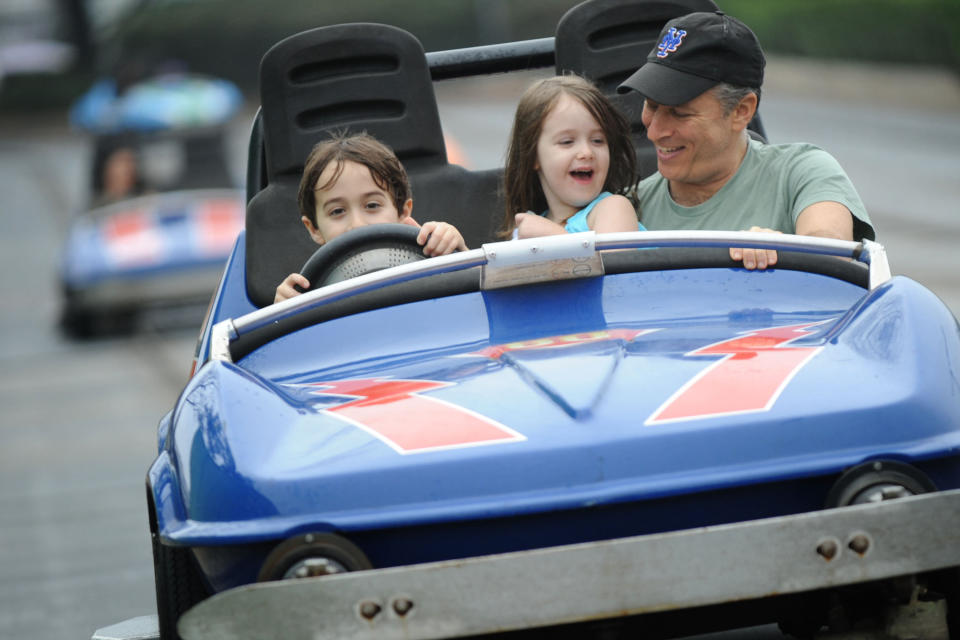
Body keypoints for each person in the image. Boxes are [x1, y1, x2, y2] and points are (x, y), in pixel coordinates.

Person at [617, 11, 874, 269]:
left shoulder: (800, 173)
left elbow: (831, 249)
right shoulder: (624, 210)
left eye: (679, 113)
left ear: (742, 111)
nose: (654, 132)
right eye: (651, 106)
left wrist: (785, 250)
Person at [274, 132, 466, 302]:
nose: (357, 224)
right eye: (337, 211)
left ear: (403, 211)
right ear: (313, 228)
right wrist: (283, 311)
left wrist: (458, 253)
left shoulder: (433, 264)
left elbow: (474, 304)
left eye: (372, 205)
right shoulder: (306, 295)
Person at [500, 75, 646, 239]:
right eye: (567, 142)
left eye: (598, 141)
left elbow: (613, 261)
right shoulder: (529, 227)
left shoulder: (614, 208)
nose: (587, 152)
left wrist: (554, 236)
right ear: (533, 156)